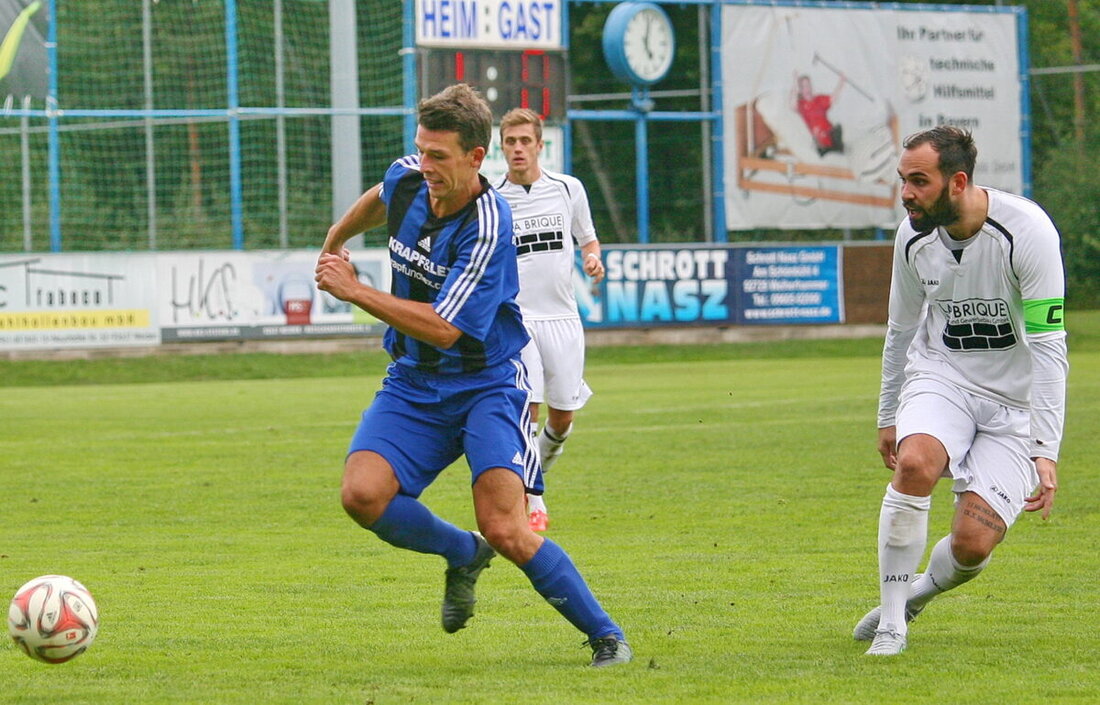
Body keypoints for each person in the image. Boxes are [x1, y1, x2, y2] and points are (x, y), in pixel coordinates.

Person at [314, 84, 632, 667]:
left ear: (474, 157)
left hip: (488, 384)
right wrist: (334, 242)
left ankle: (606, 635)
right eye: (421, 150)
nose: (425, 165)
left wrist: (352, 289)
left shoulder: (489, 225)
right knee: (361, 496)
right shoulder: (411, 175)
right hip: (414, 381)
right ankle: (462, 553)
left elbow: (443, 328)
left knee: (507, 527)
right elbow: (382, 195)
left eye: (439, 156)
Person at [856, 126, 1067, 656]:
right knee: (915, 463)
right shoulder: (912, 236)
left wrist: (1045, 447)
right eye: (903, 180)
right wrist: (888, 415)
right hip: (942, 378)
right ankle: (891, 628)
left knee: (972, 547)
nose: (906, 193)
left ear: (958, 182)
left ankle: (915, 594)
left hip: (1015, 409)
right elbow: (900, 331)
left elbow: (1048, 346)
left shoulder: (1028, 232)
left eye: (919, 181)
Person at [493, 108, 605, 532]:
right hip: (517, 321)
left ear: (540, 145)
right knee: (529, 409)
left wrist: (593, 258)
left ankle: (532, 481)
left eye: (525, 141)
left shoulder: (567, 189)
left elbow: (587, 238)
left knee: (563, 419)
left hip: (563, 318)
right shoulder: (492, 197)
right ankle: (533, 497)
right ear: (502, 147)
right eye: (510, 142)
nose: (518, 149)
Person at [791, 71, 845, 156]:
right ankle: (826, 148)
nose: (807, 89)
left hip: (831, 134)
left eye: (808, 85)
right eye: (803, 87)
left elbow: (833, 99)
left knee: (837, 129)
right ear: (800, 90)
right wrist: (795, 83)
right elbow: (792, 106)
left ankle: (835, 148)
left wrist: (841, 82)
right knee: (820, 140)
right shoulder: (801, 105)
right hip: (819, 138)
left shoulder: (818, 99)